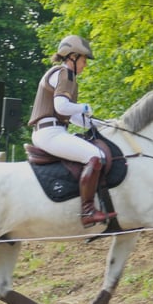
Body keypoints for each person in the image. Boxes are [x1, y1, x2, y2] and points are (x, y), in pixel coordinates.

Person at [29, 34, 117, 228]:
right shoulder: (65, 73)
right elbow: (61, 107)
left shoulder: (61, 74)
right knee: (95, 156)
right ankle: (87, 211)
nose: (85, 65)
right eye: (84, 60)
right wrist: (83, 107)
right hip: (50, 132)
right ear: (73, 57)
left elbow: (75, 117)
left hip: (52, 130)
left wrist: (103, 124)